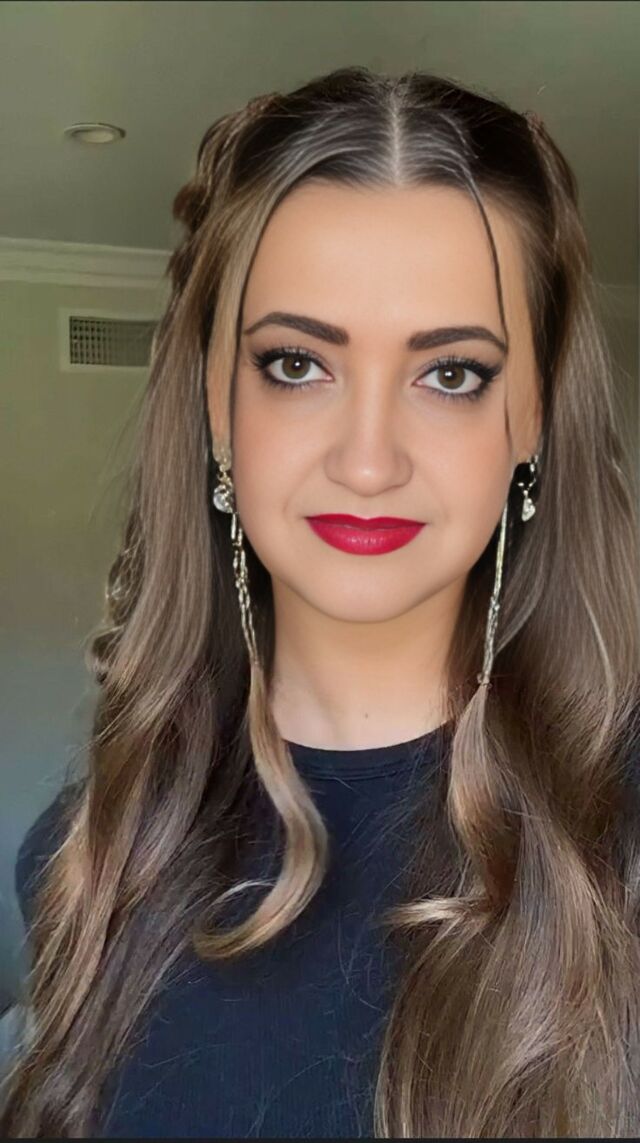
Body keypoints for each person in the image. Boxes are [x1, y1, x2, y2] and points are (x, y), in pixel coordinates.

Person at [3, 65, 640, 1139]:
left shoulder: (618, 848)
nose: (367, 460)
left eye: (452, 374)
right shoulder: (91, 858)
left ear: (533, 418)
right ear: (215, 404)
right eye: (296, 364)